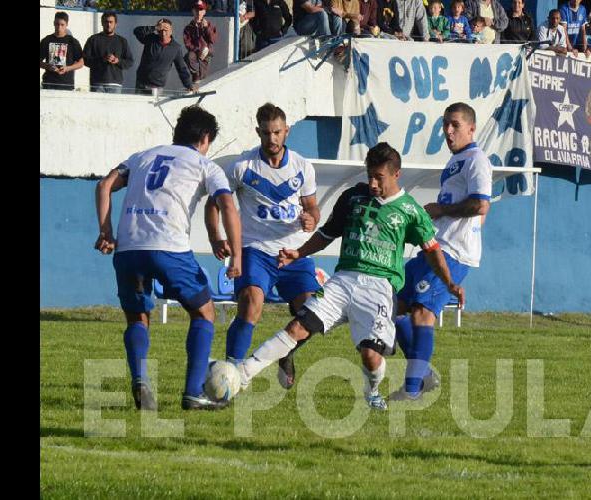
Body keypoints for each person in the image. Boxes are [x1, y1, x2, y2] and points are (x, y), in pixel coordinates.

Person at [234, 142, 465, 411]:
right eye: (369, 175)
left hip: (380, 286)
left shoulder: (411, 211)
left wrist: (450, 284)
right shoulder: (353, 197)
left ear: (396, 174)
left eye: (379, 177)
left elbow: (433, 251)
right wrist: (299, 252)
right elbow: (326, 234)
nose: (373, 183)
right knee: (297, 327)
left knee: (370, 357)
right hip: (343, 280)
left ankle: (373, 389)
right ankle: (243, 373)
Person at [93, 105, 244, 411]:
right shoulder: (205, 165)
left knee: (138, 317)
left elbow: (104, 185)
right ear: (204, 138)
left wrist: (106, 231)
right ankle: (192, 392)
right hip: (169, 249)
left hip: (129, 249)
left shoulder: (142, 156)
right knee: (204, 313)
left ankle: (140, 379)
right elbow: (226, 205)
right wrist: (237, 255)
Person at [207, 103, 322, 388]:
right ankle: (231, 371)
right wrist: (216, 237)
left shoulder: (302, 167)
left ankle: (285, 354)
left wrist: (311, 219)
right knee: (251, 303)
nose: (272, 139)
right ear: (258, 131)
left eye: (277, 132)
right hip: (255, 249)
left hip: (294, 252)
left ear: (287, 131)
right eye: (266, 133)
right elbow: (215, 204)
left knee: (311, 313)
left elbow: (312, 208)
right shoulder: (242, 167)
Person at [391, 102, 491, 401]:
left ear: (471, 129)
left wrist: (440, 210)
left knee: (422, 313)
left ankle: (411, 391)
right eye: (445, 124)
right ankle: (422, 375)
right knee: (393, 303)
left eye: (455, 125)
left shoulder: (476, 159)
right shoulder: (456, 161)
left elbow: (481, 204)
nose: (448, 130)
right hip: (437, 245)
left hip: (454, 251)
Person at [133, 19, 197, 95]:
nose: (163, 33)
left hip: (157, 87)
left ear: (171, 31)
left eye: (166, 30)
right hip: (141, 83)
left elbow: (181, 68)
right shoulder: (150, 39)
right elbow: (137, 31)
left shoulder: (176, 48)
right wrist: (155, 27)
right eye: (161, 30)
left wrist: (189, 85)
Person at [83, 11, 134, 93]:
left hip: (115, 84)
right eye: (106, 22)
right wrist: (102, 59)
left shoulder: (122, 41)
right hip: (97, 83)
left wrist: (117, 61)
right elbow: (85, 60)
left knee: (114, 106)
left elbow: (130, 62)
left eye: (111, 22)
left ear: (115, 24)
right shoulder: (93, 39)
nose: (108, 24)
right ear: (102, 23)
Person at [39, 11, 84, 91]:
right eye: (57, 24)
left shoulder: (73, 42)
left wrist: (67, 68)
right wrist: (48, 66)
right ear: (53, 23)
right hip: (49, 84)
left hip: (67, 84)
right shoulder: (46, 40)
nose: (59, 27)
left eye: (62, 25)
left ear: (67, 24)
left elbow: (81, 63)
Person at [184, 1, 220, 85]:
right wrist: (198, 50)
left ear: (204, 12)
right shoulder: (188, 28)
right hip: (196, 52)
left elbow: (213, 40)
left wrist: (207, 28)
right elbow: (188, 44)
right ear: (193, 11)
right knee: (188, 57)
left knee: (204, 76)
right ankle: (195, 78)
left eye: (201, 10)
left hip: (207, 52)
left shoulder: (209, 25)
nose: (198, 12)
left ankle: (202, 83)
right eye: (196, 10)